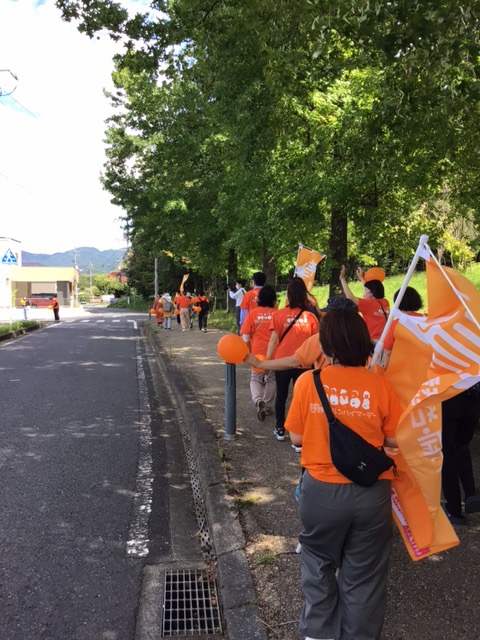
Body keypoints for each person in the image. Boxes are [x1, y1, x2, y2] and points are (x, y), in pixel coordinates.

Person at [285, 308, 401, 640]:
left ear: (326, 346)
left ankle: (318, 632)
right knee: (365, 574)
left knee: (318, 561)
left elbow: (296, 437)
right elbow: (394, 439)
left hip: (321, 490)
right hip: (371, 491)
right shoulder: (381, 385)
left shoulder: (309, 382)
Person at [267, 277, 319, 443]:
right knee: (300, 398)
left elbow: (273, 340)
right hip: (304, 363)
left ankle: (280, 429)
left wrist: (267, 362)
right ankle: (299, 435)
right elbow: (317, 342)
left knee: (281, 396)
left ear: (288, 295)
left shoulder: (278, 315)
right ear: (304, 294)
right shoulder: (311, 317)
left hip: (282, 362)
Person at [245, 297, 357, 373]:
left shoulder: (322, 338)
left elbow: (294, 361)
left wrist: (260, 363)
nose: (324, 316)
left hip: (328, 390)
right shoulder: (363, 340)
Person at [441, 387, 480, 525]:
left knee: (447, 453)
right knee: (462, 446)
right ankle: (470, 494)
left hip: (449, 398)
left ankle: (454, 510)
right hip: (473, 397)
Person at [241, 284, 277, 420]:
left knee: (255, 378)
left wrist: (247, 348)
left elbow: (245, 334)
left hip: (257, 351)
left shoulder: (252, 313)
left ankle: (258, 400)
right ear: (274, 299)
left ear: (259, 299)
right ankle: (267, 406)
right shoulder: (277, 314)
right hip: (274, 352)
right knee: (271, 379)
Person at [340, 265, 390, 340]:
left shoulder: (369, 304)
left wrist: (342, 279)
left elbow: (350, 298)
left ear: (371, 294)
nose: (363, 293)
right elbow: (370, 290)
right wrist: (361, 278)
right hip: (385, 339)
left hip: (373, 341)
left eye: (365, 290)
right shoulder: (385, 302)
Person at [382, 286, 424, 369]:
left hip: (403, 368)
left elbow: (387, 351)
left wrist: (384, 367)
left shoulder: (394, 325)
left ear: (397, 303)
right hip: (425, 366)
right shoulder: (427, 319)